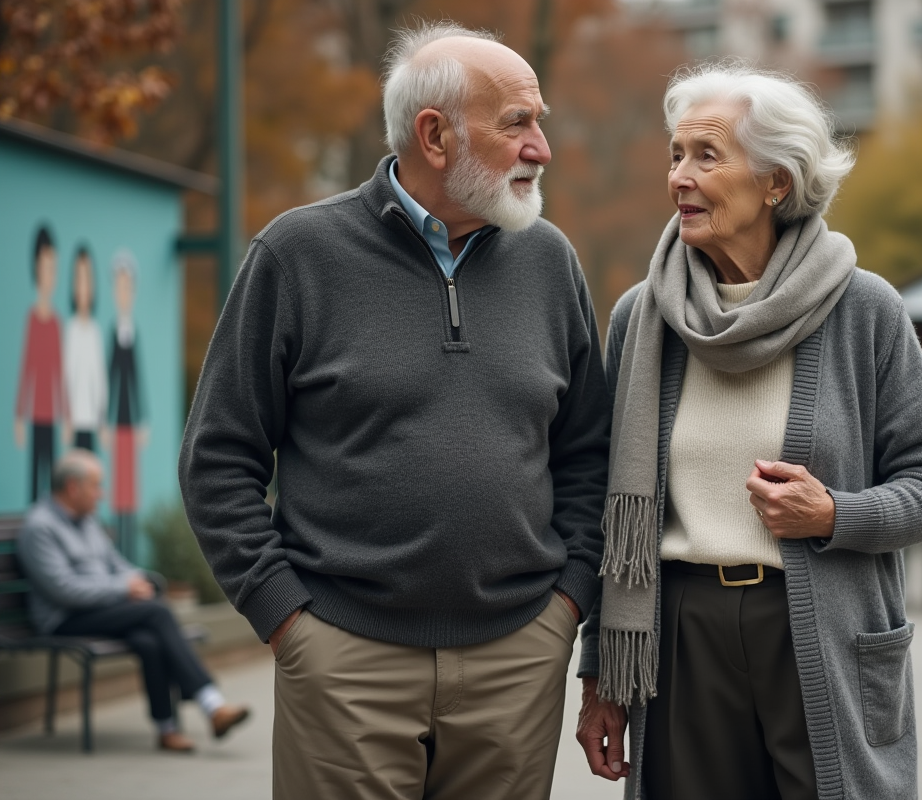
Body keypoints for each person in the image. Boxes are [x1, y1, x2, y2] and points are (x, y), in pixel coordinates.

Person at [178, 22, 610, 800]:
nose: (541, 146)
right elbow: (218, 457)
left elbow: (588, 453)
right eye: (518, 123)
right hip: (344, 660)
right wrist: (288, 620)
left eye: (538, 121)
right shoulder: (297, 255)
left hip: (519, 656)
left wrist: (566, 605)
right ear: (435, 135)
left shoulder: (551, 262)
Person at [575, 63, 922, 800]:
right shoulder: (641, 317)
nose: (680, 177)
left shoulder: (863, 309)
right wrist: (600, 669)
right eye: (675, 154)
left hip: (820, 628)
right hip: (679, 637)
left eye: (707, 155)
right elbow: (610, 513)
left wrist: (836, 514)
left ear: (777, 182)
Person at [17, 450, 249, 752]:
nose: (101, 494)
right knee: (156, 613)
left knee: (148, 640)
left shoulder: (87, 522)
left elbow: (118, 565)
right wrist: (123, 589)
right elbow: (63, 589)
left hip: (102, 610)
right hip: (64, 618)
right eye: (96, 486)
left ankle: (167, 730)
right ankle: (211, 704)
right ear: (73, 487)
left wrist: (143, 579)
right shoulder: (40, 527)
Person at [15, 225, 67, 502]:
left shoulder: (57, 323)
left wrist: (66, 415)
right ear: (36, 268)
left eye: (54, 267)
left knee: (53, 476)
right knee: (35, 474)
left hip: (53, 416)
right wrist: (19, 414)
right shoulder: (32, 320)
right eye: (46, 267)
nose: (50, 274)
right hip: (36, 413)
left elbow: (60, 373)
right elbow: (27, 369)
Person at [106, 250, 146, 557]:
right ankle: (117, 551)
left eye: (127, 287)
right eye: (119, 287)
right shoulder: (113, 332)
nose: (124, 293)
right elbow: (111, 378)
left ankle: (128, 553)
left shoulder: (132, 333)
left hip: (131, 420)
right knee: (116, 491)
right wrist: (104, 419)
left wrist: (142, 418)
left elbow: (136, 381)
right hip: (115, 420)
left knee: (130, 492)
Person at [63, 244, 108, 453]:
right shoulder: (70, 330)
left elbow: (99, 376)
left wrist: (101, 415)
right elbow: (67, 374)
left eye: (87, 279)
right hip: (74, 419)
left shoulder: (95, 331)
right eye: (79, 279)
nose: (83, 287)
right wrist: (66, 415)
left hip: (92, 418)